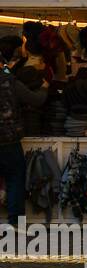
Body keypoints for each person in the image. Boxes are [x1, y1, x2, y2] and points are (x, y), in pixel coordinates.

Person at [0, 41, 49, 225]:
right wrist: (44, 87)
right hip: (9, 139)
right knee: (14, 180)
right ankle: (14, 222)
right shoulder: (10, 82)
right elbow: (35, 100)